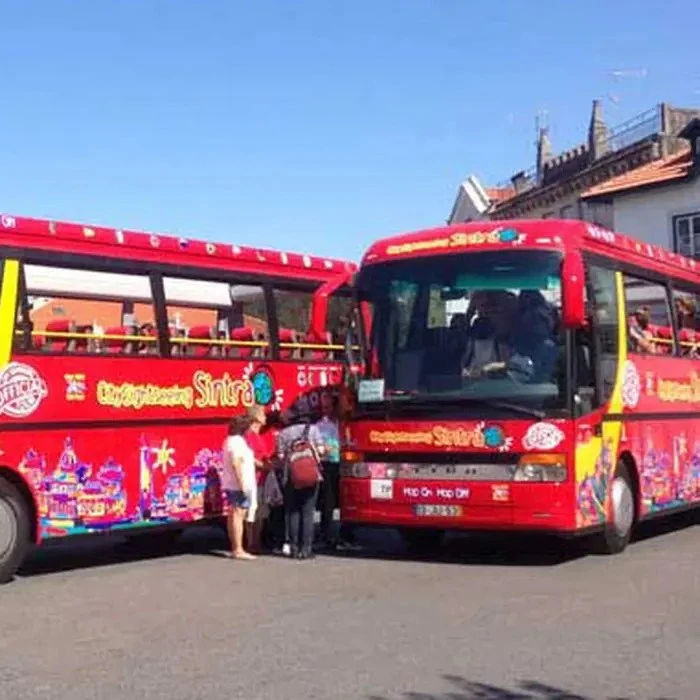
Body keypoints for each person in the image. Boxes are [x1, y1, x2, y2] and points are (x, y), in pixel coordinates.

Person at [277, 409, 325, 559]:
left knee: (292, 512)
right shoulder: (314, 430)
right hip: (311, 476)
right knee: (308, 512)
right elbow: (322, 451)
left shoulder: (283, 434)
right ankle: (306, 549)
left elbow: (280, 456)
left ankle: (293, 548)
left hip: (291, 477)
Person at [221, 414, 257, 560]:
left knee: (233, 515)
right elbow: (236, 463)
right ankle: (238, 549)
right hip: (238, 484)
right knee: (238, 515)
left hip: (232, 483)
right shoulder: (237, 443)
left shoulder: (230, 441)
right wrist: (241, 483)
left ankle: (235, 546)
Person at [315, 391, 341, 549]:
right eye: (323, 407)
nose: (326, 409)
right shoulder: (320, 425)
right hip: (329, 464)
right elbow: (322, 446)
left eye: (329, 406)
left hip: (345, 463)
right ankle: (327, 534)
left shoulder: (343, 422)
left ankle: (346, 533)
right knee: (328, 502)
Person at [243, 404, 269, 554]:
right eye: (263, 414)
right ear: (256, 418)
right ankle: (251, 542)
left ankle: (256, 541)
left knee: (260, 513)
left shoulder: (258, 435)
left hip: (261, 478)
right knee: (252, 511)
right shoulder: (249, 436)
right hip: (252, 478)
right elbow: (249, 457)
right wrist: (263, 465)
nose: (265, 417)